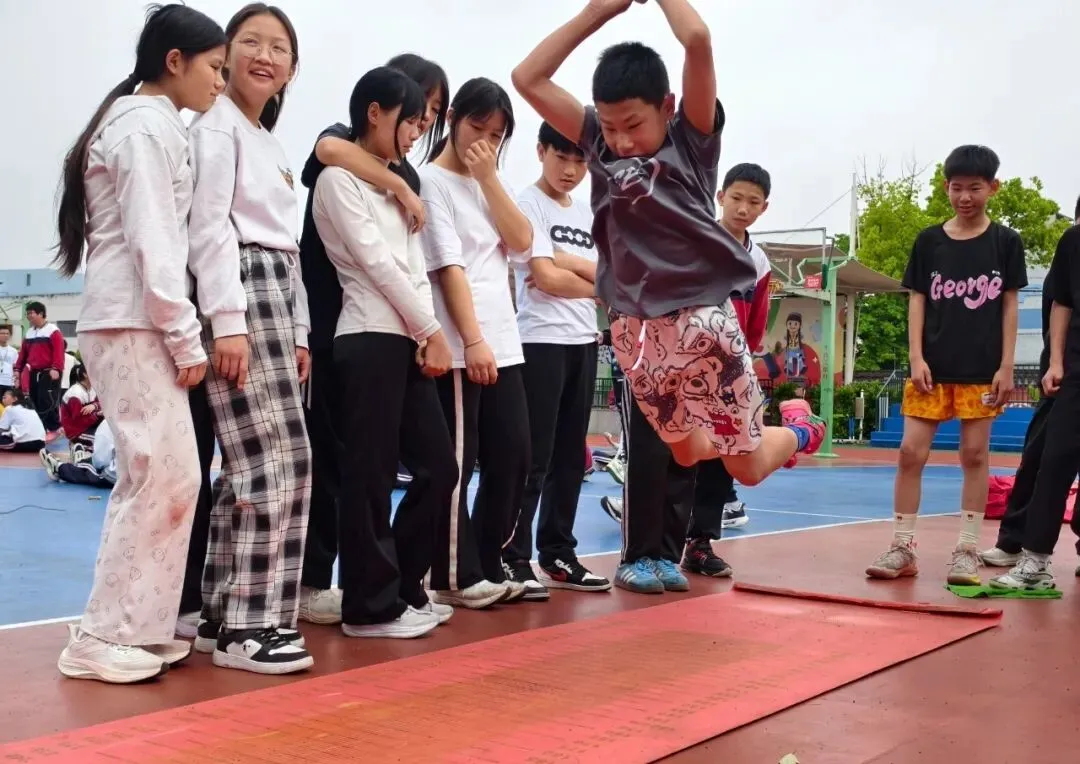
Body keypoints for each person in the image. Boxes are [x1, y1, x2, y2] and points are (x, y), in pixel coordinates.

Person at [512, 0, 824, 588]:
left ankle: (800, 429)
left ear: (668, 108)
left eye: (634, 125)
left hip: (703, 329)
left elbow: (697, 38)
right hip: (637, 336)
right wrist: (598, 11)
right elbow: (527, 77)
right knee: (683, 452)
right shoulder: (599, 144)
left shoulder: (691, 146)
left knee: (748, 467)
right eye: (609, 127)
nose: (621, 140)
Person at [50, 3, 224, 683]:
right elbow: (155, 243)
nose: (220, 81)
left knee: (164, 476)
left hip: (132, 319)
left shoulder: (148, 123)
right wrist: (186, 338)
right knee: (161, 474)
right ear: (174, 62)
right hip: (132, 321)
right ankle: (103, 635)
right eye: (215, 67)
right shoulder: (144, 126)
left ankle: (139, 628)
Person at [295, 53, 449, 626]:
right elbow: (375, 264)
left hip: (405, 335)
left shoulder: (403, 184)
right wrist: (431, 328)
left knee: (440, 467)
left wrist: (425, 331)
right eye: (411, 118)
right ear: (376, 112)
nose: (418, 130)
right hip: (362, 334)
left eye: (425, 120)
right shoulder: (337, 177)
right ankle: (368, 604)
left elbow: (412, 266)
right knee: (367, 474)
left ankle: (400, 586)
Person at [186, 3, 313, 675]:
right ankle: (250, 625)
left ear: (292, 66)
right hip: (240, 287)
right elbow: (208, 228)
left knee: (251, 464)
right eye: (251, 42)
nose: (266, 56)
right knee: (275, 461)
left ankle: (221, 612)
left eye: (279, 47)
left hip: (274, 289)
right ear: (226, 53)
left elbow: (287, 247)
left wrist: (299, 330)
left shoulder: (268, 141)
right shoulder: (215, 128)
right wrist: (227, 322)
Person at [866, 145, 1027, 585]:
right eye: (957, 188)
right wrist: (915, 356)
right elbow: (917, 300)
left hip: (982, 370)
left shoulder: (1006, 242)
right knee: (909, 453)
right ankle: (902, 547)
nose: (965, 197)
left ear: (993, 187)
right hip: (931, 370)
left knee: (974, 455)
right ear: (946, 188)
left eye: (975, 188)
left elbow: (1010, 305)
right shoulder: (929, 241)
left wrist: (1006, 365)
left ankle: (967, 550)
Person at [420, 77, 533, 609]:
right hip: (464, 344)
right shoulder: (431, 181)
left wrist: (489, 178)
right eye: (477, 127)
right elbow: (449, 268)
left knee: (514, 455)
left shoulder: (489, 182)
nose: (485, 142)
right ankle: (452, 574)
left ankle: (487, 561)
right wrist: (473, 340)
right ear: (452, 120)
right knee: (457, 463)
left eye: (496, 135)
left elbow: (523, 242)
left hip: (505, 341)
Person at [502, 121, 610, 599]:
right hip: (539, 341)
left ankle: (558, 553)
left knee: (571, 457)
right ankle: (511, 556)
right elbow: (544, 278)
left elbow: (610, 279)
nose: (570, 169)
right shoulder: (527, 203)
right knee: (535, 456)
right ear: (540, 151)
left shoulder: (587, 213)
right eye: (560, 156)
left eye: (579, 160)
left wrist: (567, 264)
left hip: (584, 341)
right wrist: (588, 281)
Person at [683, 163, 774, 578]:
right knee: (681, 452)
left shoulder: (759, 261)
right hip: (686, 365)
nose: (743, 208)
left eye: (753, 202)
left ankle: (700, 544)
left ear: (764, 207)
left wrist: (743, 365)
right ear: (720, 197)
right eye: (736, 198)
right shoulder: (697, 239)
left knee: (723, 455)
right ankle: (659, 544)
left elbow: (757, 321)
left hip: (731, 373)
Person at [980, 200, 1080, 573]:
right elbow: (1058, 309)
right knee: (1041, 459)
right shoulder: (1070, 251)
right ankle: (1014, 542)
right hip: (1062, 375)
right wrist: (1055, 364)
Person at [13, 302, 65, 434]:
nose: (28, 316)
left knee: (47, 399)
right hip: (33, 372)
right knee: (33, 399)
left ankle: (54, 427)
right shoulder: (29, 332)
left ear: (41, 314)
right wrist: (17, 370)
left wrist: (56, 368)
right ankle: (39, 427)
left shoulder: (53, 331)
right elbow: (23, 354)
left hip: (49, 372)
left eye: (31, 313)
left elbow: (59, 351)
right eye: (27, 313)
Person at [41, 418, 118, 489]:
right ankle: (81, 461)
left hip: (115, 477)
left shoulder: (107, 424)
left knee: (89, 471)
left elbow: (100, 461)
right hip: (125, 478)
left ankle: (58, 468)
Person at [59, 363, 103, 457]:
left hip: (90, 426)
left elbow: (103, 403)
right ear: (85, 374)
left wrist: (94, 406)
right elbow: (78, 421)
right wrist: (96, 415)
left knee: (109, 437)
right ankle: (76, 446)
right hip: (77, 431)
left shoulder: (92, 389)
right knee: (102, 443)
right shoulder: (75, 394)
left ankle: (81, 446)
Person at [0, 389, 47, 453]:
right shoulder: (30, 408)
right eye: (2, 397)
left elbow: (1, 429)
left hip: (25, 443)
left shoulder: (9, 408)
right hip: (41, 444)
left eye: (5, 397)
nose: (3, 399)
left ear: (15, 399)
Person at [0, 325, 18, 399]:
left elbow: (16, 366)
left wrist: (16, 380)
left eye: (7, 333)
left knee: (8, 403)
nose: (5, 335)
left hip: (9, 382)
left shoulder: (13, 351)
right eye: (2, 333)